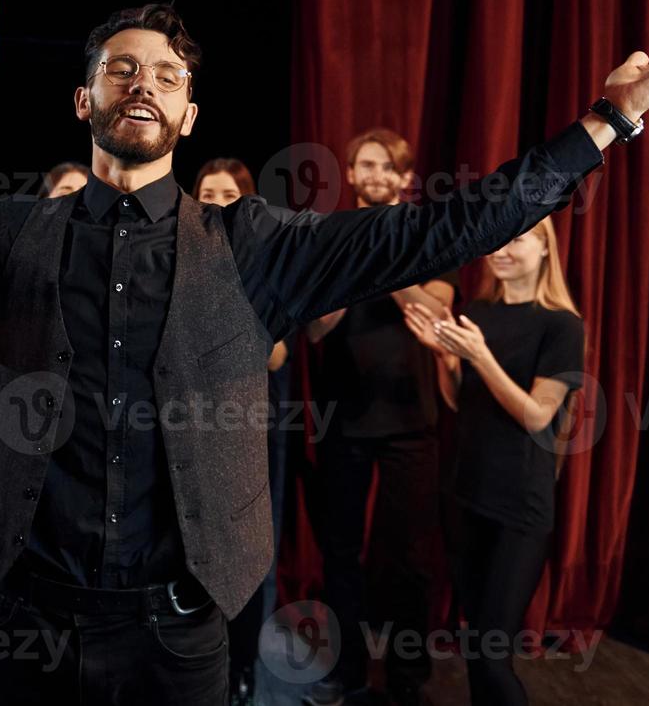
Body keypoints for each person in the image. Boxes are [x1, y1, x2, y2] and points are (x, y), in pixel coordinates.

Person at [0, 2, 649, 704]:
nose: (142, 82)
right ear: (83, 100)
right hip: (31, 624)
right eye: (119, 68)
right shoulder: (9, 234)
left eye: (165, 73)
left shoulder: (259, 247)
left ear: (189, 111)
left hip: (182, 632)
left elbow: (445, 227)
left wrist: (608, 121)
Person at [303, 128, 457, 706]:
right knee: (340, 553)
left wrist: (382, 262)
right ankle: (345, 670)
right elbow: (316, 328)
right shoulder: (331, 235)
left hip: (411, 424)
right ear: (351, 172)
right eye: (363, 164)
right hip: (342, 421)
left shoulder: (428, 235)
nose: (372, 173)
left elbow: (436, 308)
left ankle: (407, 676)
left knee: (411, 557)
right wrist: (351, 261)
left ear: (404, 177)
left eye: (383, 165)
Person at [403, 216, 584, 706]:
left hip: (518, 508)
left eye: (517, 239)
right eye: (497, 242)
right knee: (475, 644)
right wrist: (447, 360)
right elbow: (462, 401)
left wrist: (480, 357)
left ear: (546, 249)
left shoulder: (562, 325)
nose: (501, 250)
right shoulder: (480, 310)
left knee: (490, 655)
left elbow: (536, 415)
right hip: (466, 496)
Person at [194, 158, 292, 706]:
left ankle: (241, 671)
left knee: (248, 554)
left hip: (250, 430)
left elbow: (276, 357)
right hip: (187, 426)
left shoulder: (266, 261)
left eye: (228, 194)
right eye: (208, 192)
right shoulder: (174, 250)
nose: (217, 201)